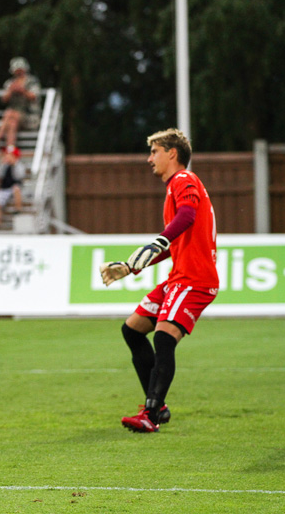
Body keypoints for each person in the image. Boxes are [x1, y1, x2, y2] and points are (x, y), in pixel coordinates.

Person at [99, 128, 219, 433]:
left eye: (154, 151)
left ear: (172, 153)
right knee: (132, 330)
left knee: (164, 337)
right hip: (179, 276)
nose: (149, 158)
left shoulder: (183, 180)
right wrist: (130, 266)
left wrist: (159, 240)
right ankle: (158, 406)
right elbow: (174, 242)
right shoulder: (174, 188)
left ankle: (151, 414)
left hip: (195, 278)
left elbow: (188, 216)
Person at [0, 57, 40, 150]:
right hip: (13, 118)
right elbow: (3, 100)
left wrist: (22, 91)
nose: (19, 73)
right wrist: (11, 91)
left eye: (20, 70)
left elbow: (34, 97)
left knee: (10, 113)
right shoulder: (10, 83)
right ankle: (10, 148)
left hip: (30, 116)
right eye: (17, 71)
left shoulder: (32, 81)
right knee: (12, 121)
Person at [0, 145, 25, 227]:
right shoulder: (4, 165)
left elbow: (19, 176)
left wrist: (14, 164)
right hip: (4, 188)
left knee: (16, 189)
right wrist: (2, 164)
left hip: (15, 188)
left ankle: (18, 210)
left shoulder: (19, 165)